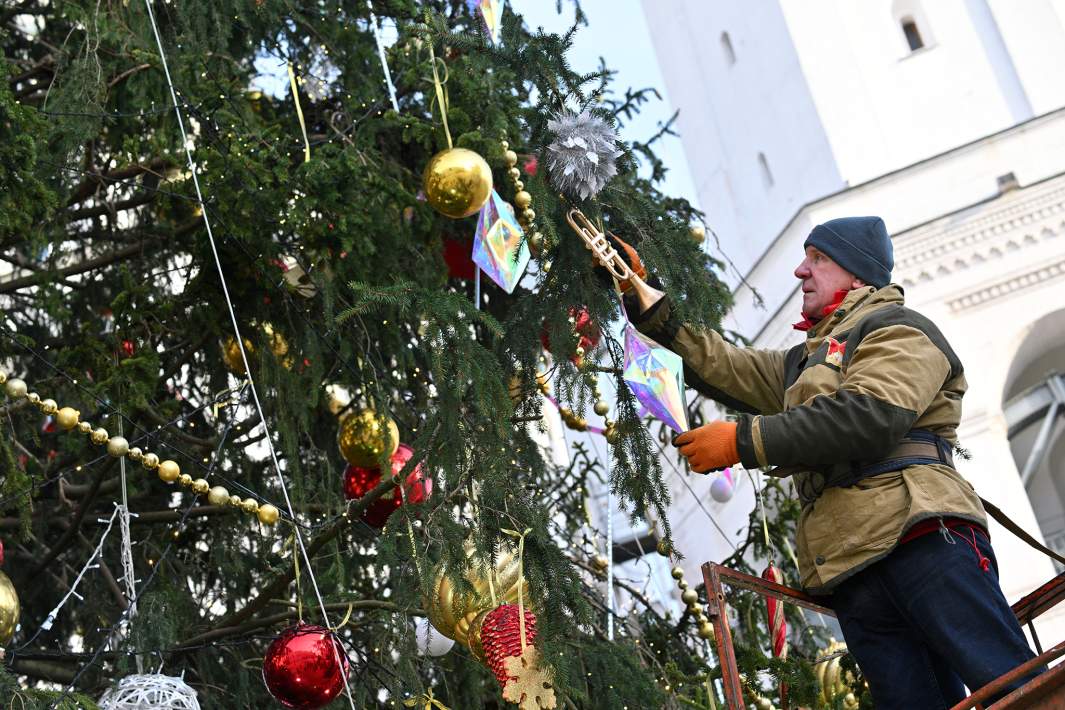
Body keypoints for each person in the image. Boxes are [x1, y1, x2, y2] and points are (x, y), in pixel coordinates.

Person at [615, 216, 1044, 708]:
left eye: (818, 259)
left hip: (921, 538)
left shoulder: (898, 329)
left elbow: (870, 415)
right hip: (851, 569)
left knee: (1015, 689)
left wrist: (742, 441)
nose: (801, 270)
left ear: (859, 276)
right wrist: (649, 304)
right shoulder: (803, 363)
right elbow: (722, 364)